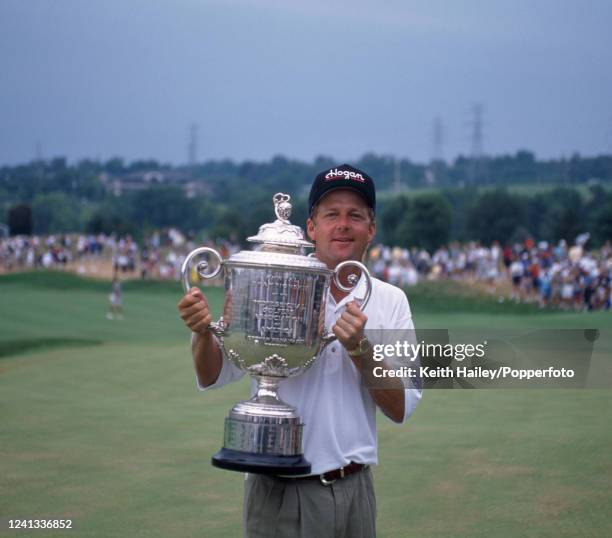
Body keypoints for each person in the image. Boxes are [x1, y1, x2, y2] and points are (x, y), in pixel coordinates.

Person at [177, 164, 422, 538]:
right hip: (279, 491)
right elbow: (213, 373)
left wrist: (360, 348)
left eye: (355, 215)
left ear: (371, 229)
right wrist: (200, 333)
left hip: (355, 489)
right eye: (331, 214)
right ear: (311, 227)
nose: (343, 224)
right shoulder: (271, 282)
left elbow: (401, 407)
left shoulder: (393, 300)